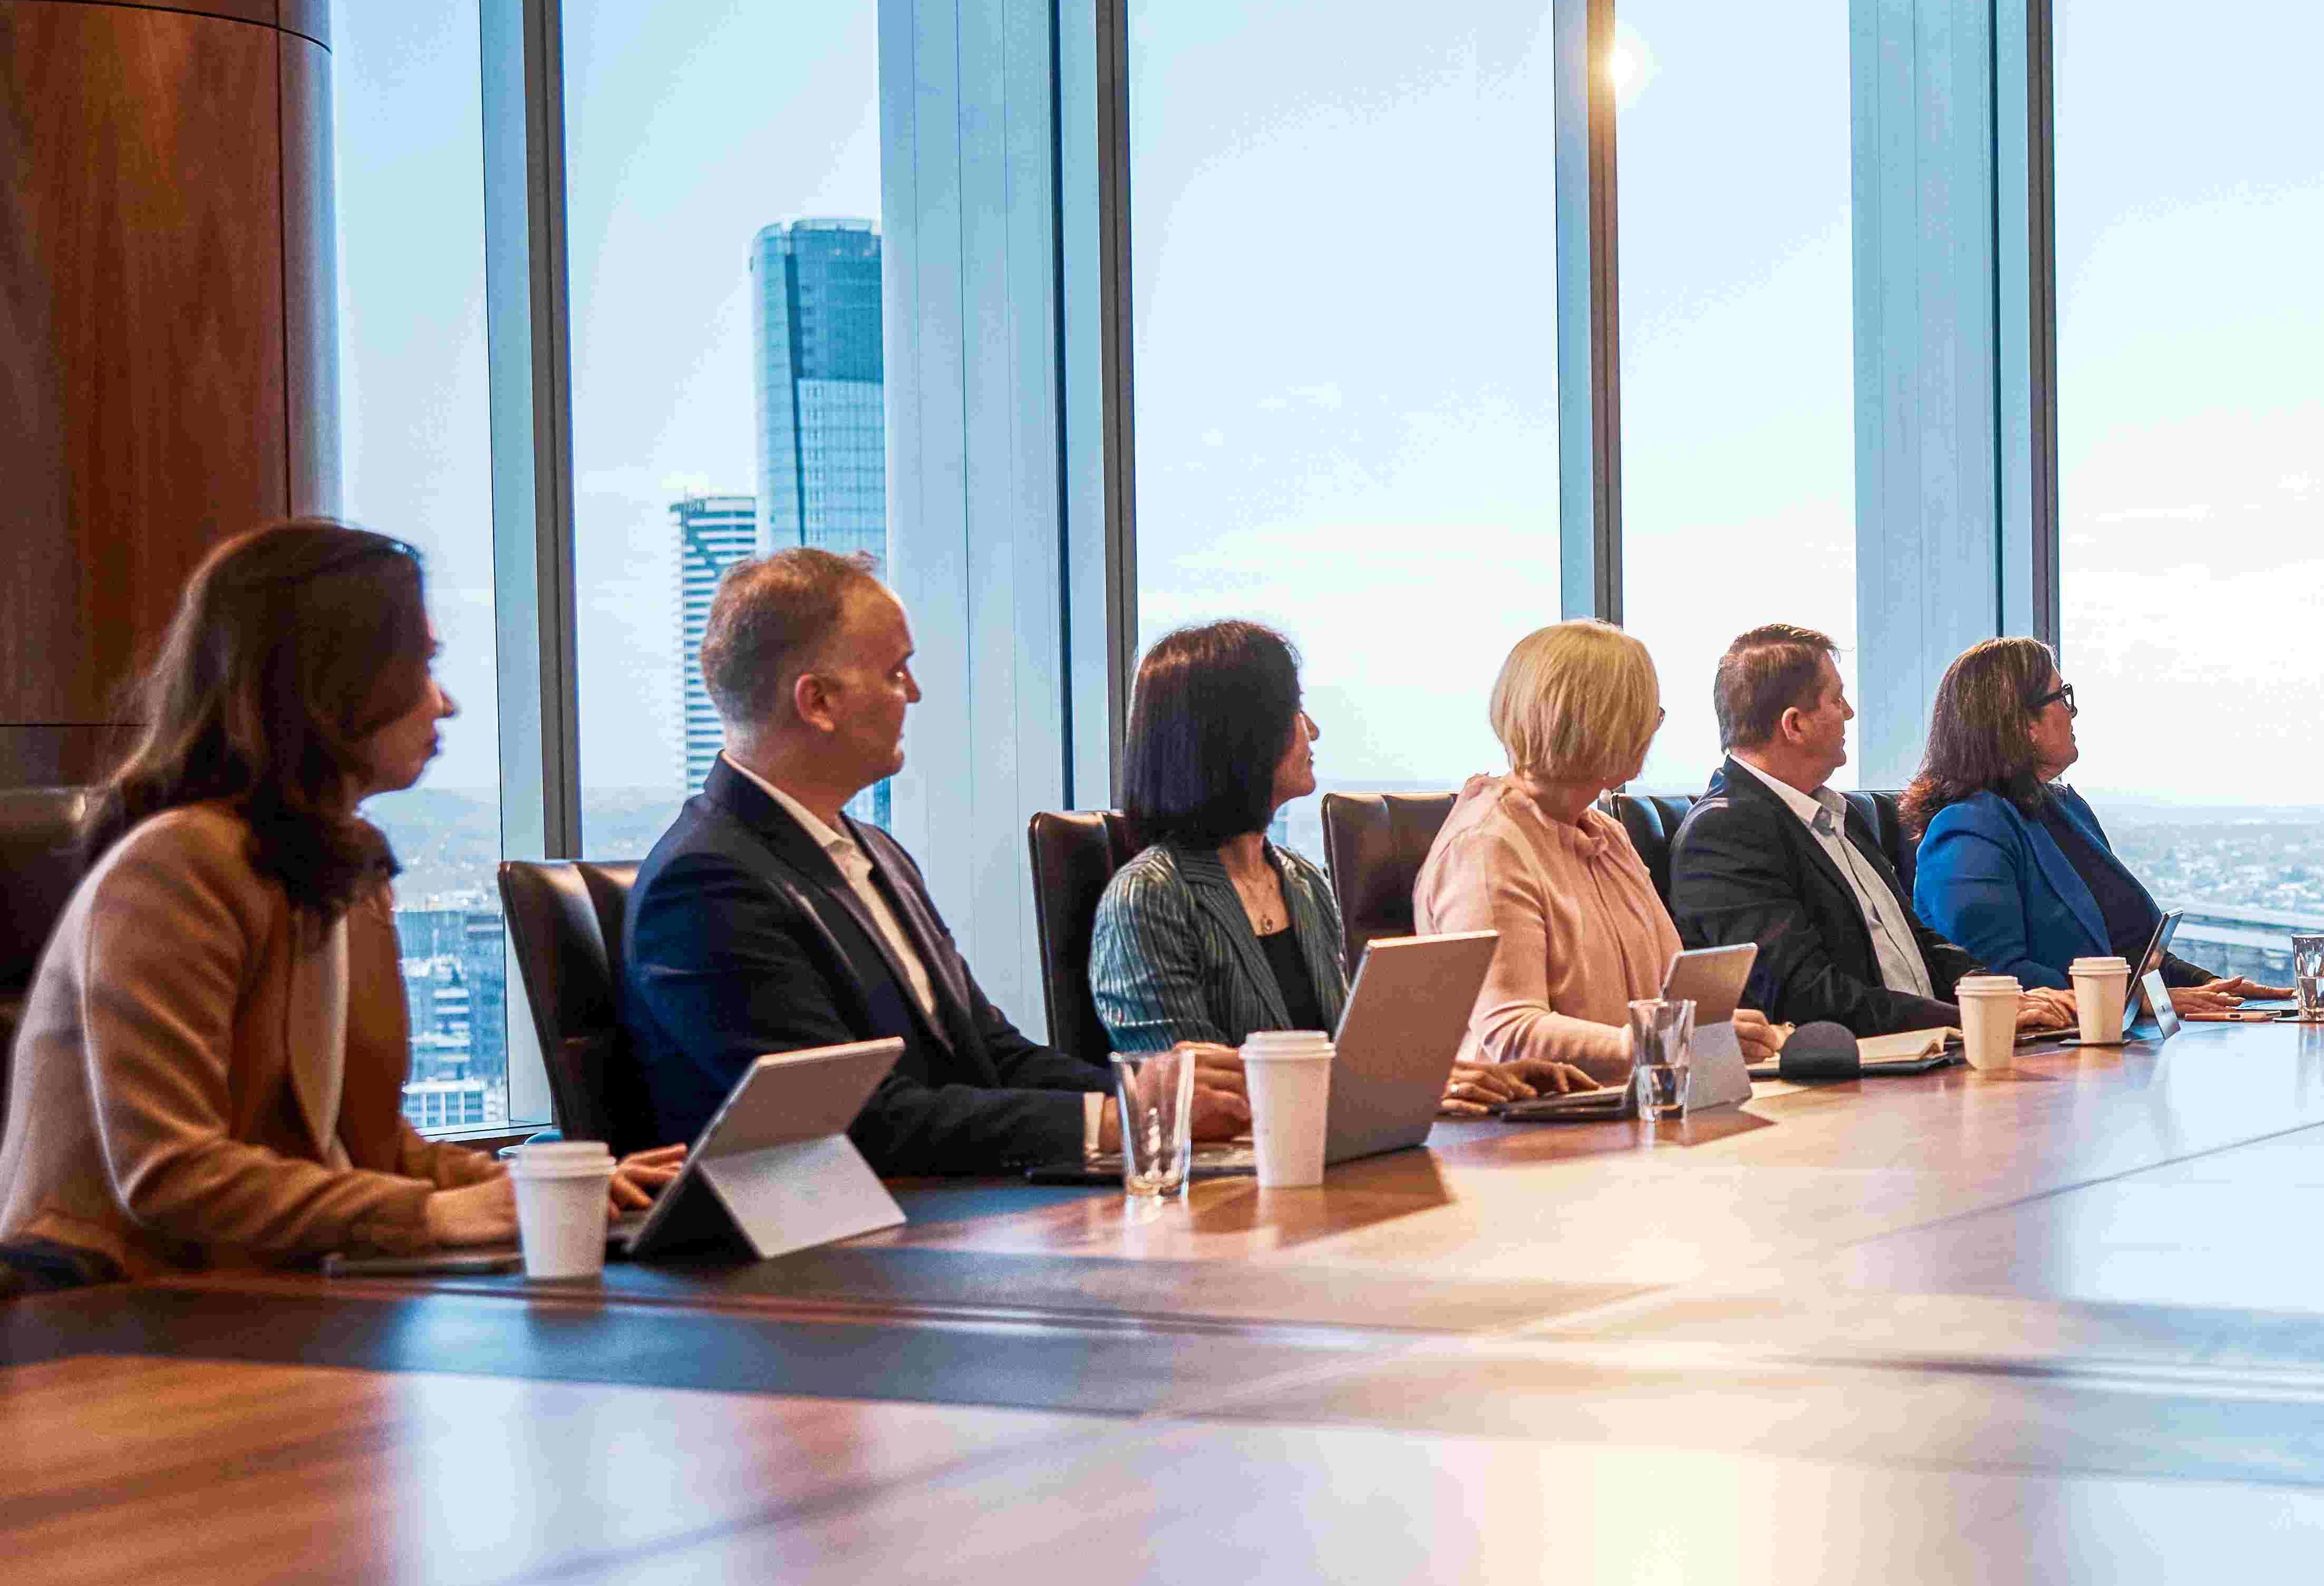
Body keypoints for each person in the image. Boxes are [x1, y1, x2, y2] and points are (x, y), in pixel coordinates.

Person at [1, 525, 676, 1283]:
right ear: (332, 681)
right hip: (111, 1313)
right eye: (420, 665)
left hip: (267, 1302)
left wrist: (532, 1184)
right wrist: (430, 1215)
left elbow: (374, 1146)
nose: (445, 702)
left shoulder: (344, 872)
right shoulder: (175, 865)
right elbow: (168, 1171)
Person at [624, 549, 1244, 1175]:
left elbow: (992, 1055)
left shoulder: (876, 852)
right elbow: (854, 1125)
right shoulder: (703, 885)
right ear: (818, 703)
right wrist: (1120, 1120)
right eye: (897, 673)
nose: (914, 694)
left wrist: (1147, 1089)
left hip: (941, 1224)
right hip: (827, 1258)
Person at [1089, 621, 1577, 1111]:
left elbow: (1343, 1063)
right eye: (1295, 711)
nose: (1313, 730)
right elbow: (1201, 1102)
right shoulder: (1148, 896)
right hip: (1233, 1180)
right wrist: (1404, 1090)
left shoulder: (1301, 881)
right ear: (1238, 735)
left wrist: (1468, 1077)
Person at [1666, 624, 2075, 1042]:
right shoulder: (1725, 834)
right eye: (1835, 699)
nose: (1849, 712)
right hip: (1851, 1084)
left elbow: (1919, 943)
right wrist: (1967, 1018)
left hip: (1925, 1056)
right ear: (1795, 725)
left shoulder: (1840, 815)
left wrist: (1999, 995)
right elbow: (1807, 997)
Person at [1418, 621, 1778, 1076]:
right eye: (1645, 714)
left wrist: (1711, 1028)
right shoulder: (1486, 848)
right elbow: (1510, 1033)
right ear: (1595, 722)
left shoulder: (1607, 835)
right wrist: (1663, 1039)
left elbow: (1661, 1000)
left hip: (1628, 1111)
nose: (1652, 730)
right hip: (1531, 1132)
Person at [1904, 638, 2280, 1019]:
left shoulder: (2067, 810)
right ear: (2023, 723)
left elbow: (2133, 953)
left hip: (2117, 1045)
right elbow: (1995, 979)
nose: (2073, 712)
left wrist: (2211, 985)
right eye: (2062, 697)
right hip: (2044, 1063)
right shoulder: (1967, 829)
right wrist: (2130, 1001)